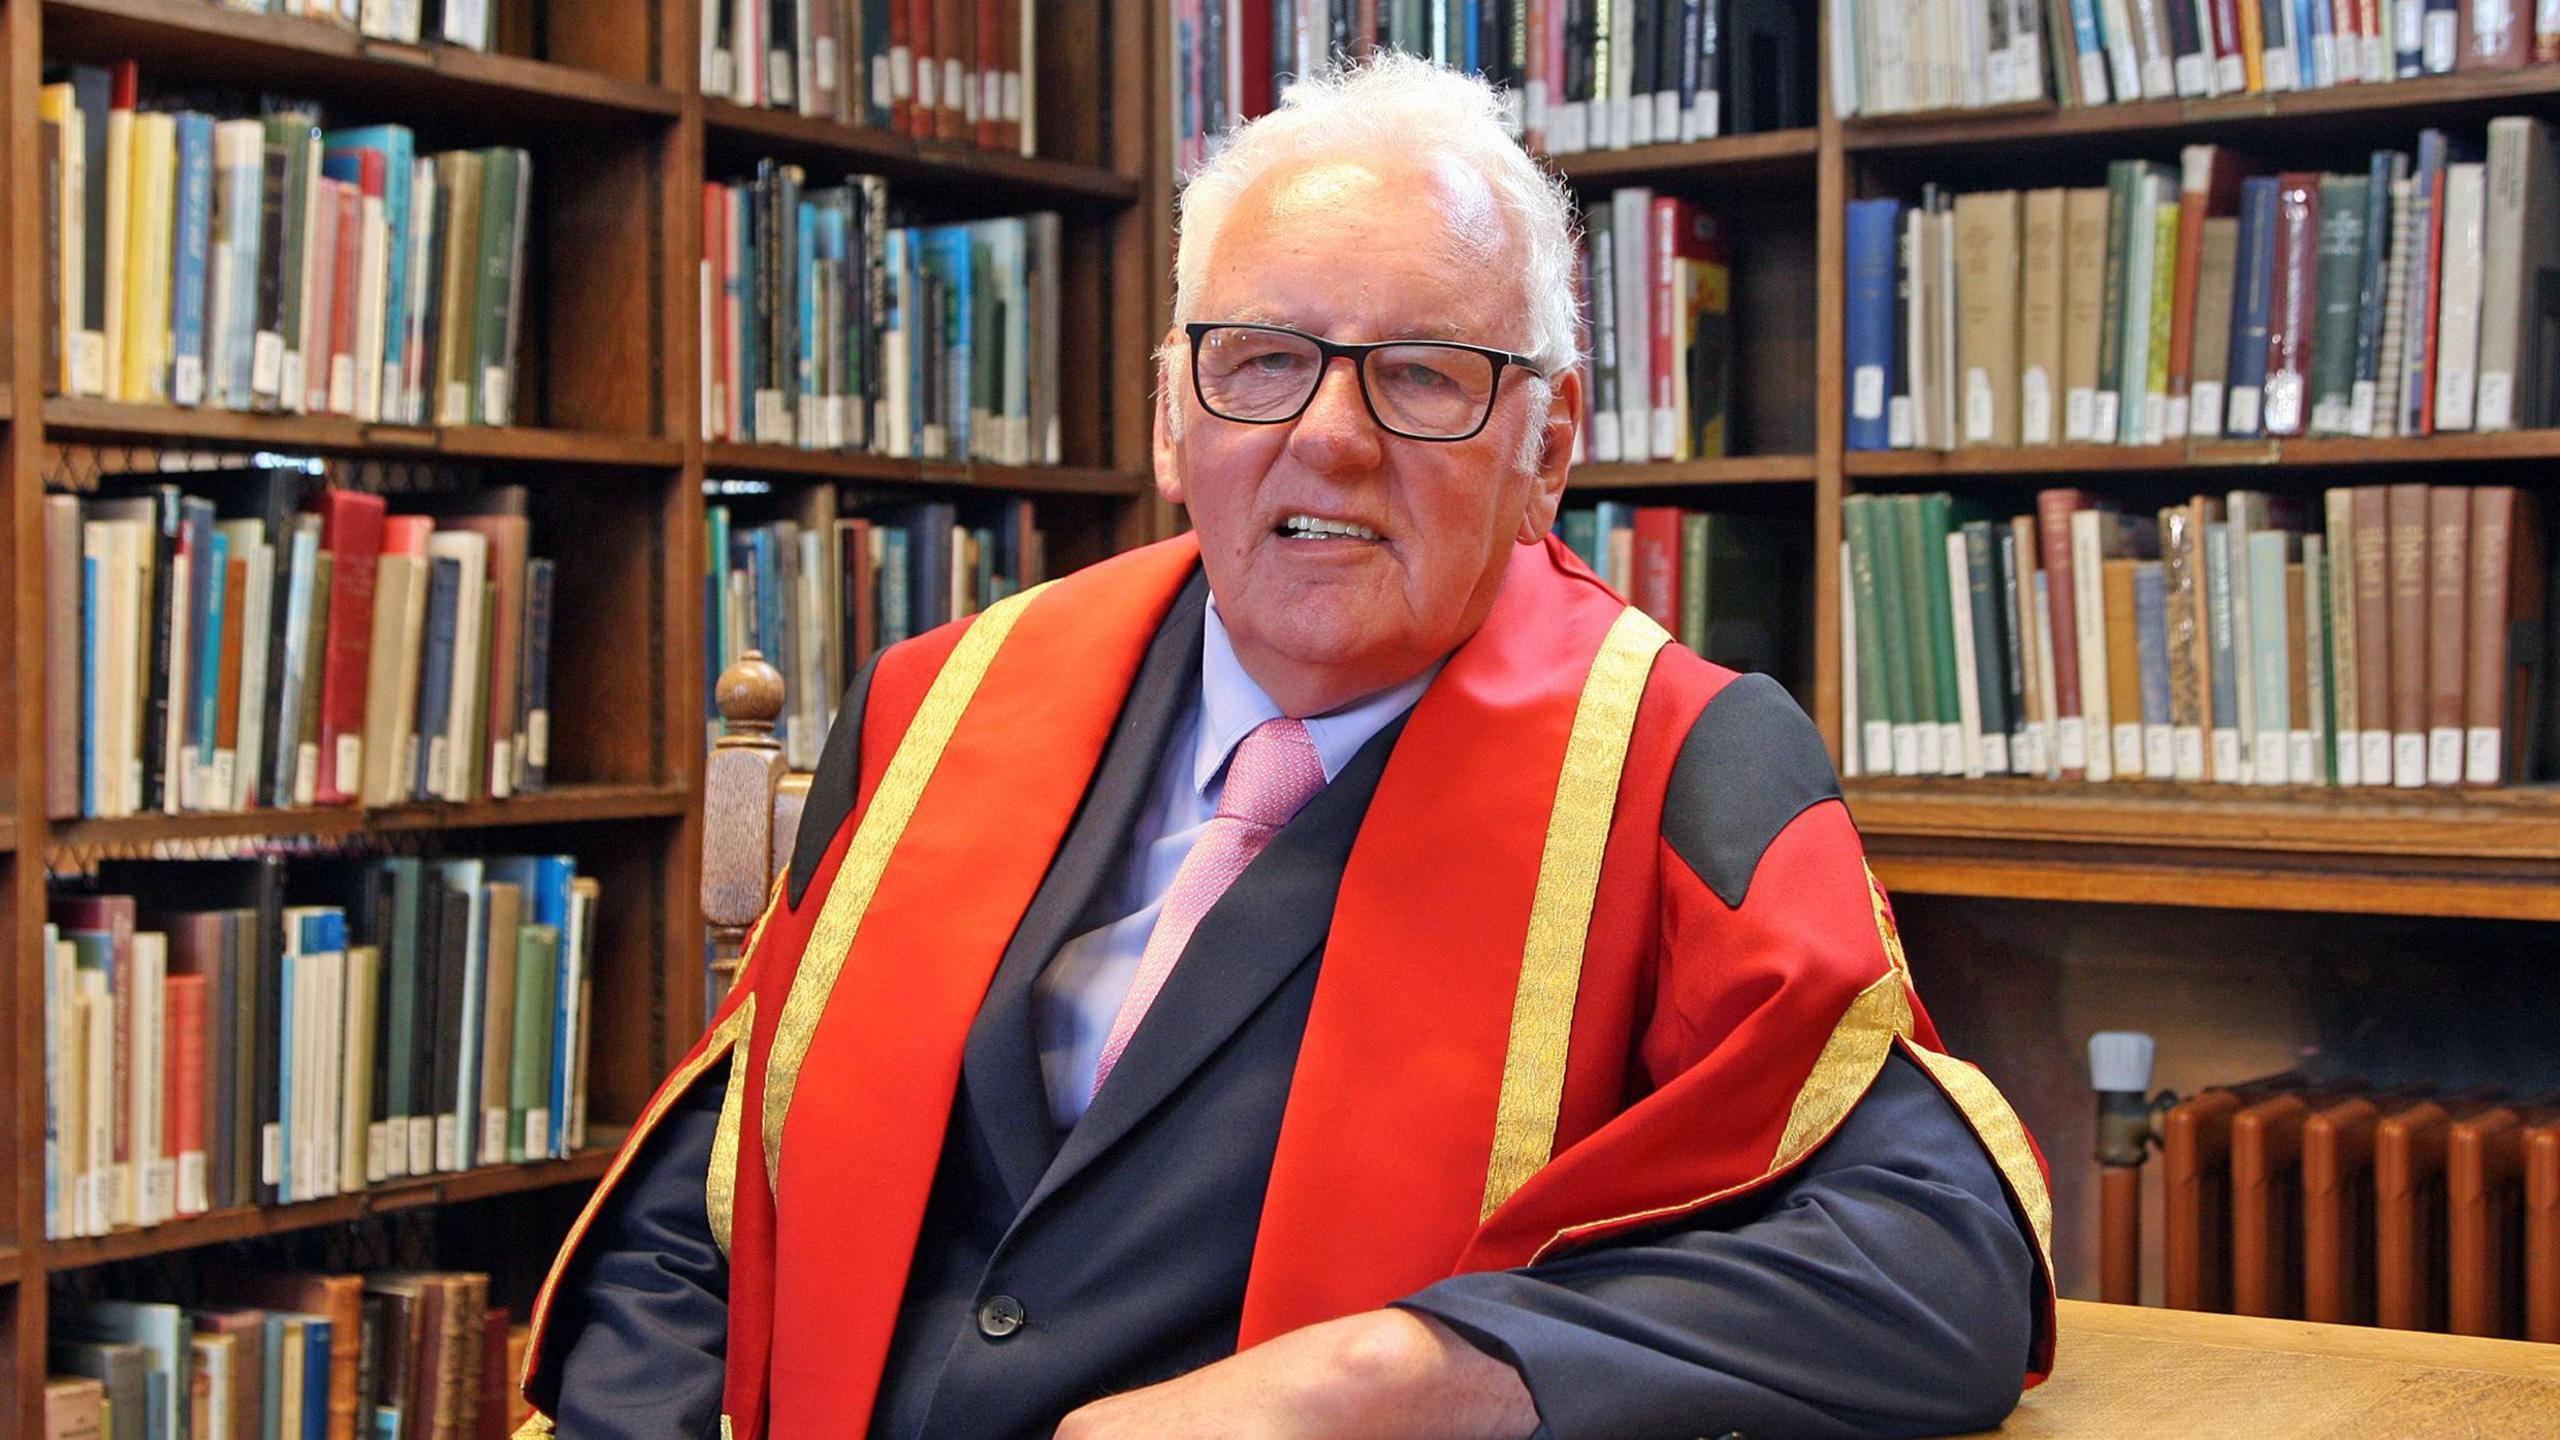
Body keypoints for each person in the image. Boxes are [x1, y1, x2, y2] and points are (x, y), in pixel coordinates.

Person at [514, 54, 2056, 1440]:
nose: (1329, 434)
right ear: (1171, 417)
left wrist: (1406, 1376)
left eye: (1424, 375)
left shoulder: (1680, 767)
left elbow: (1935, 1259)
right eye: (1261, 360)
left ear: (1550, 446)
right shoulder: (938, 705)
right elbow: (715, 1200)